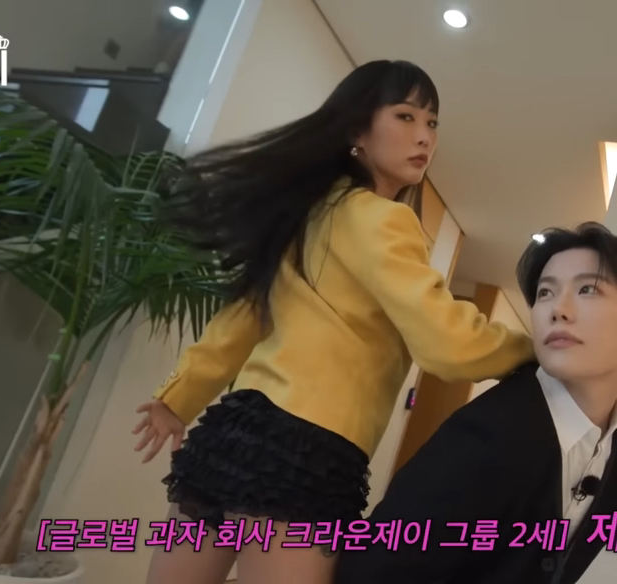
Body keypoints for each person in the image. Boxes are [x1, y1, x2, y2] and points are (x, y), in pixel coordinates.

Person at [130, 60, 535, 584]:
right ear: (356, 131)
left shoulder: (309, 212)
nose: (425, 137)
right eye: (406, 116)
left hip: (234, 433)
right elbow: (449, 344)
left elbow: (243, 317)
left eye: (432, 123)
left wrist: (178, 397)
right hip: (308, 449)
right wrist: (537, 349)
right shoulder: (385, 219)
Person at [334, 222, 617, 584]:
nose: (558, 309)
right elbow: (371, 570)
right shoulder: (483, 439)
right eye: (545, 293)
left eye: (587, 289)